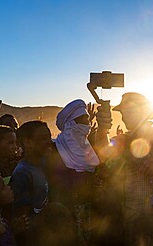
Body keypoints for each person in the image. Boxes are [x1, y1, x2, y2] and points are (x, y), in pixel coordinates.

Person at [95, 92, 153, 244]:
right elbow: (104, 155)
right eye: (122, 113)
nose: (123, 117)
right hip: (133, 213)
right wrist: (102, 129)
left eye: (128, 111)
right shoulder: (124, 139)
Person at [48, 99, 99, 244]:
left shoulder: (86, 147)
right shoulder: (55, 149)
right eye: (82, 121)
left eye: (87, 121)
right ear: (70, 123)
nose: (86, 125)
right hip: (65, 210)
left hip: (87, 207)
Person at [11, 120, 51, 245]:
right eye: (44, 138)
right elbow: (24, 220)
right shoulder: (22, 174)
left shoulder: (43, 163)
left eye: (49, 137)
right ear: (27, 142)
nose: (49, 142)